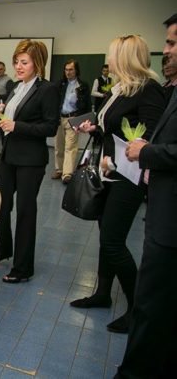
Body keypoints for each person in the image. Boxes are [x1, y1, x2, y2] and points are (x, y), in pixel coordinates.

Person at [72, 34, 167, 334]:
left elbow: (153, 135)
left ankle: (138, 309)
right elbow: (112, 129)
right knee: (106, 237)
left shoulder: (148, 89)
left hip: (129, 177)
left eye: (112, 55)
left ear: (125, 58)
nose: (108, 60)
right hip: (110, 173)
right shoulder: (121, 89)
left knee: (113, 241)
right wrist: (94, 129)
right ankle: (102, 293)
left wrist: (121, 153)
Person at [117, 13, 177, 379]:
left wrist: (148, 152)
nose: (165, 50)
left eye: (171, 43)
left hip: (166, 218)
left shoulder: (149, 89)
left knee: (153, 304)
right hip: (160, 209)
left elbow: (154, 139)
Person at [0, 40, 59, 283]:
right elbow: (11, 118)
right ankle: (2, 249)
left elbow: (50, 127)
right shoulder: (17, 87)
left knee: (26, 212)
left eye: (24, 62)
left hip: (31, 159)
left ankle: (23, 267)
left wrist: (17, 126)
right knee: (0, 205)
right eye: (16, 62)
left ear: (37, 63)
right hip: (9, 156)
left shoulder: (47, 89)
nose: (18, 67)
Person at [52, 60, 91, 184]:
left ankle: (67, 173)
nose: (68, 72)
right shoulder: (60, 84)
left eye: (71, 69)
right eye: (66, 69)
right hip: (60, 118)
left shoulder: (82, 85)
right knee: (59, 146)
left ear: (76, 70)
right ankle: (59, 169)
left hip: (73, 119)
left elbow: (87, 104)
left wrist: (84, 120)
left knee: (70, 147)